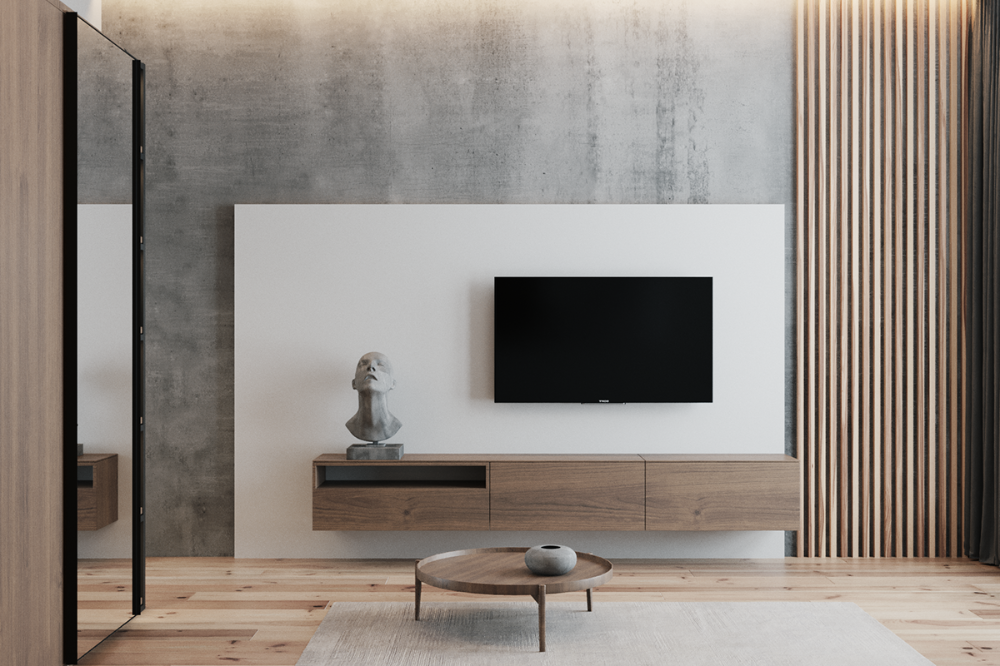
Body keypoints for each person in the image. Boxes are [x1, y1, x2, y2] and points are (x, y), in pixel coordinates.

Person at [345, 352, 402, 443]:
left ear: (392, 384)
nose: (371, 367)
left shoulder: (394, 425)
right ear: (354, 383)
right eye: (363, 364)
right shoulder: (352, 425)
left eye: (381, 364)